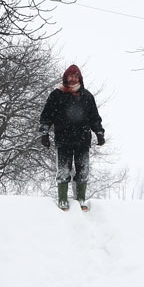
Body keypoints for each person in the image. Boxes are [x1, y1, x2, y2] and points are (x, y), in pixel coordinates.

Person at [39, 64, 105, 210]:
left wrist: (99, 132)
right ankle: (63, 199)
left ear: (79, 78)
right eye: (71, 76)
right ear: (66, 77)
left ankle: (80, 199)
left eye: (76, 76)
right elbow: (46, 115)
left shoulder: (87, 96)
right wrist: (44, 133)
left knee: (83, 170)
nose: (73, 78)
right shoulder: (56, 94)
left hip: (82, 140)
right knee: (63, 169)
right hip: (63, 139)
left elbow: (94, 117)